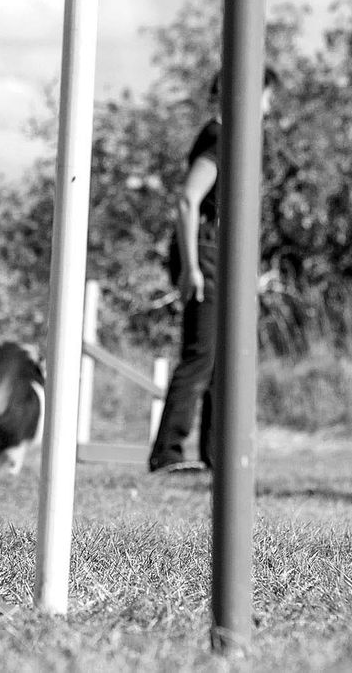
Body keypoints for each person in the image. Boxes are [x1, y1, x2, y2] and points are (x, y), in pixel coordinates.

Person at [148, 66, 279, 473]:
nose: (269, 107)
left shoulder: (233, 138)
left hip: (222, 254)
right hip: (205, 254)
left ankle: (213, 454)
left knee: (224, 359)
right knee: (201, 356)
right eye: (266, 97)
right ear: (245, 94)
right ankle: (167, 455)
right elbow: (189, 199)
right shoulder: (219, 136)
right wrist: (191, 267)